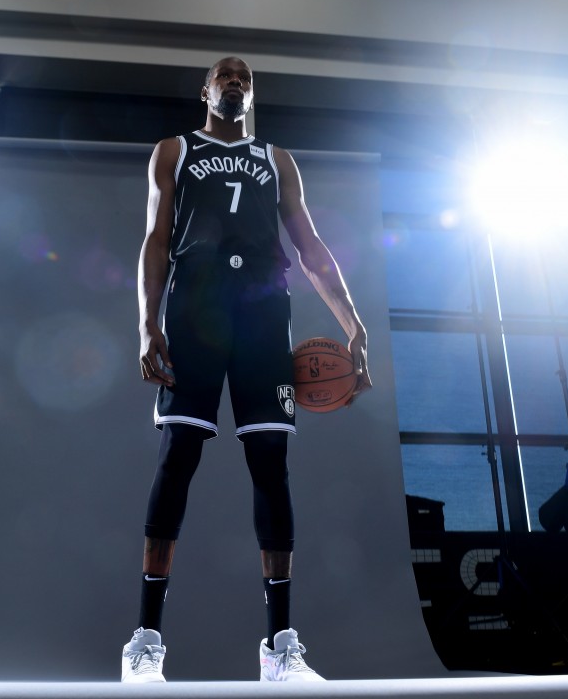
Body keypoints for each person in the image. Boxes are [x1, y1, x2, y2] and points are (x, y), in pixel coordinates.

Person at [122, 56, 372, 683]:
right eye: (224, 75)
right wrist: (147, 321)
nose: (235, 81)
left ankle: (280, 649)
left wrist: (353, 323)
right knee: (178, 455)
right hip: (195, 308)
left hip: (264, 311)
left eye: (246, 78)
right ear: (205, 89)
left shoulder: (277, 159)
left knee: (270, 465)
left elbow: (311, 248)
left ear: (252, 96)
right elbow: (156, 238)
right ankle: (146, 642)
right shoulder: (174, 150)